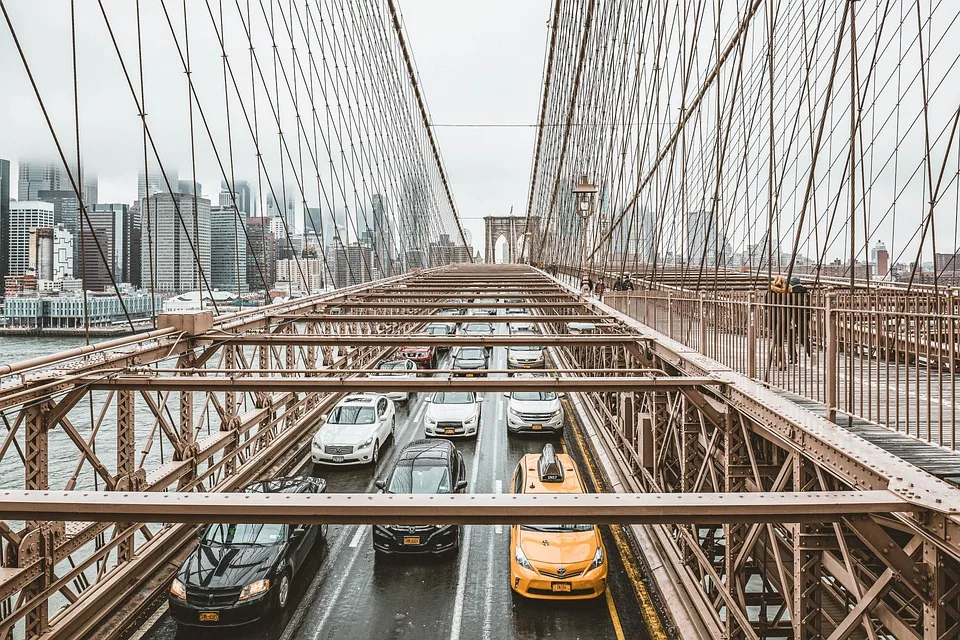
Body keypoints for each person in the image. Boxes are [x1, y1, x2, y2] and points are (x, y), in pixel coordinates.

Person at [765, 275, 790, 371]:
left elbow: (766, 305)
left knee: (778, 341)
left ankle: (782, 362)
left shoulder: (770, 291)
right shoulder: (788, 292)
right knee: (779, 340)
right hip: (786, 318)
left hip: (773, 318)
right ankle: (780, 360)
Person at [787, 277, 812, 363]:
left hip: (792, 317)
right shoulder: (806, 293)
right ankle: (811, 353)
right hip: (804, 317)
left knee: (791, 338)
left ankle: (793, 357)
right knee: (803, 337)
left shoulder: (790, 293)